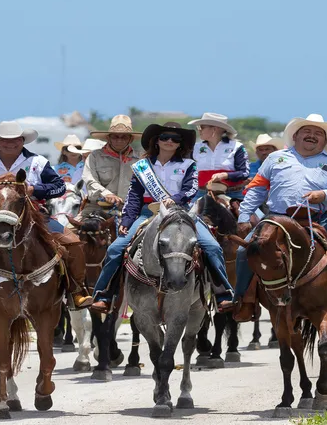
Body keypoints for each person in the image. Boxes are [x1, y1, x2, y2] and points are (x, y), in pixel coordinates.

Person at [233, 114, 327, 324]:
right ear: (295, 136)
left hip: (321, 219)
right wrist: (244, 216)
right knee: (244, 251)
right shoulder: (275, 158)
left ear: (324, 141)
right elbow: (257, 189)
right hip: (277, 219)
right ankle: (242, 300)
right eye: (307, 131)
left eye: (318, 134)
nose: (312, 136)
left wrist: (325, 195)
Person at [0, 121, 90, 322]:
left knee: (73, 242)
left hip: (34, 216)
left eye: (15, 139)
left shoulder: (37, 162)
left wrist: (34, 190)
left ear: (22, 141)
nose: (10, 143)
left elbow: (58, 187)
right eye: (5, 140)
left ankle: (77, 290)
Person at [89, 122, 235, 313]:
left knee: (213, 247)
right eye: (164, 137)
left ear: (180, 144)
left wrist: (173, 200)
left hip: (181, 214)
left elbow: (190, 189)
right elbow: (134, 196)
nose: (169, 141)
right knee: (116, 248)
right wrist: (126, 220)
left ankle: (222, 293)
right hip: (147, 213)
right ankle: (104, 295)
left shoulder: (188, 165)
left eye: (175, 139)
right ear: (156, 141)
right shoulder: (142, 167)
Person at [187, 112, 250, 201]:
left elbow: (245, 173)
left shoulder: (236, 147)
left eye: (201, 127)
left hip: (233, 195)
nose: (199, 130)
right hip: (201, 193)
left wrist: (225, 175)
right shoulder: (195, 148)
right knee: (189, 214)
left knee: (246, 215)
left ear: (215, 129)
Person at [82, 114, 140, 209]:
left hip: (131, 209)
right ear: (108, 138)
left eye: (124, 137)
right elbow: (90, 181)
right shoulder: (95, 157)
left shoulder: (141, 159)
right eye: (115, 137)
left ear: (131, 139)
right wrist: (106, 194)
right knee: (73, 224)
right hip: (98, 206)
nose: (119, 140)